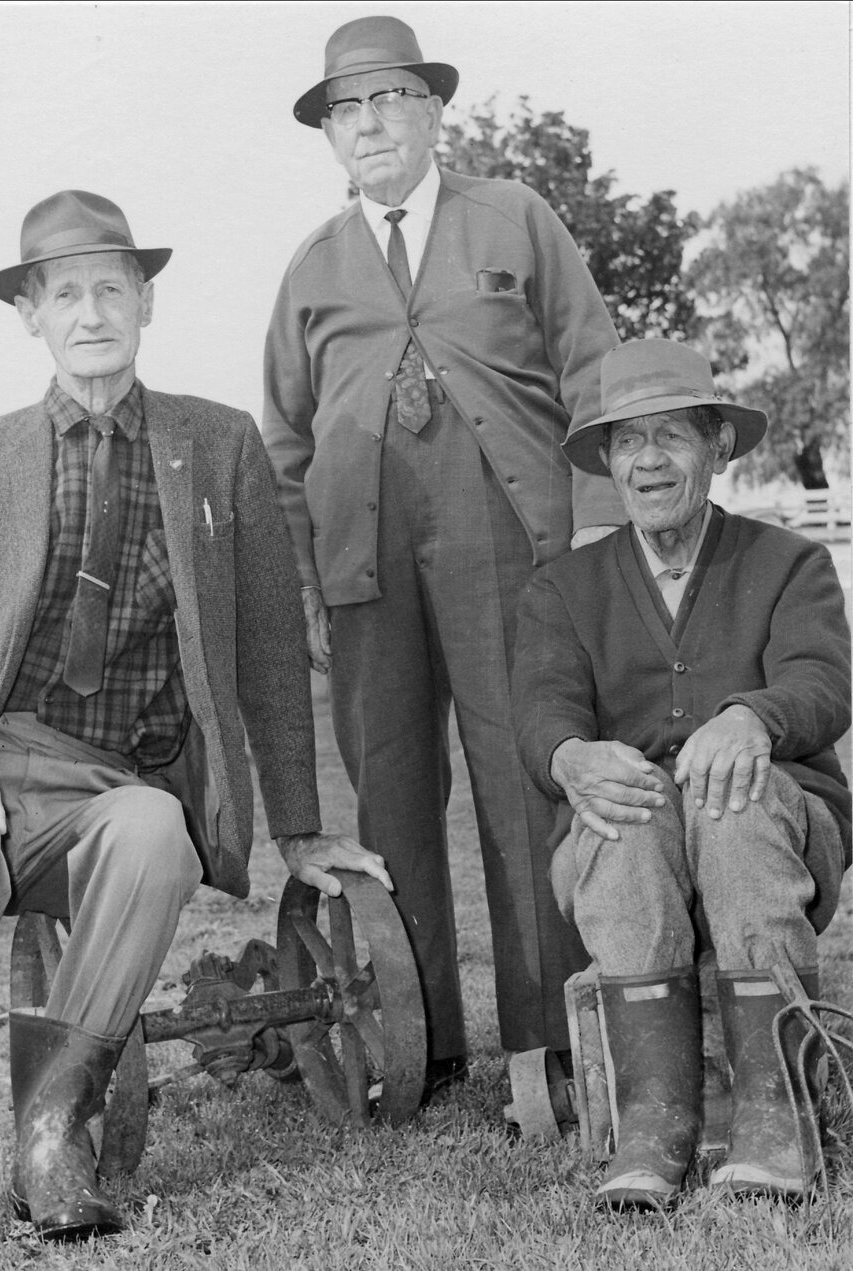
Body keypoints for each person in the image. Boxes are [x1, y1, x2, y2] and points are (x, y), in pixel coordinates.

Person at [0, 189, 391, 1265]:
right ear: (31, 317)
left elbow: (268, 651)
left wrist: (297, 826)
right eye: (65, 294)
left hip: (122, 786)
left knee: (156, 832)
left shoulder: (220, 444)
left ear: (146, 303)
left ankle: (54, 1134)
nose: (91, 312)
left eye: (112, 288)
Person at [262, 14, 627, 1095]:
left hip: (509, 544)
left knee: (524, 778)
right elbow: (283, 444)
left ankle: (548, 1044)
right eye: (345, 109)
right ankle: (414, 1046)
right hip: (363, 567)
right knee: (390, 795)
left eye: (389, 99)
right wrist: (304, 583)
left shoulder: (515, 216)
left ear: (432, 112)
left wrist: (596, 522)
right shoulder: (311, 266)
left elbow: (595, 367)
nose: (368, 123)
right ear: (330, 137)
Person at [512, 338, 851, 1208]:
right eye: (627, 440)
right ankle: (653, 1124)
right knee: (623, 808)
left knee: (728, 796)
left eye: (670, 435)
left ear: (717, 446)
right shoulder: (562, 588)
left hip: (771, 826)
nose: (647, 459)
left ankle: (776, 1118)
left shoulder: (789, 562)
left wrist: (751, 718)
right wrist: (570, 757)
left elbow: (824, 682)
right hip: (627, 841)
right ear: (608, 463)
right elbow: (542, 709)